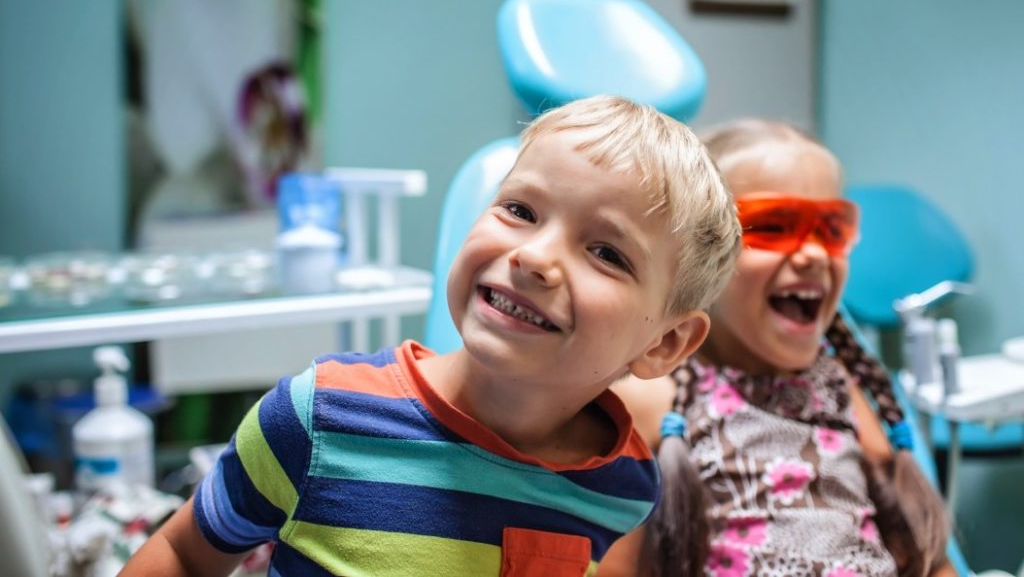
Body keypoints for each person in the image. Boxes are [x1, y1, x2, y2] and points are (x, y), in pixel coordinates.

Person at [121, 95, 742, 577]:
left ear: (664, 345)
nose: (535, 257)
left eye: (605, 252)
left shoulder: (621, 486)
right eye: (521, 210)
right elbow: (182, 553)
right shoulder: (320, 418)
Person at [599, 119, 953, 577]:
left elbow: (922, 556)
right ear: (693, 254)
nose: (813, 255)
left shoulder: (840, 391)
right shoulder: (651, 403)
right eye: (774, 225)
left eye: (831, 230)